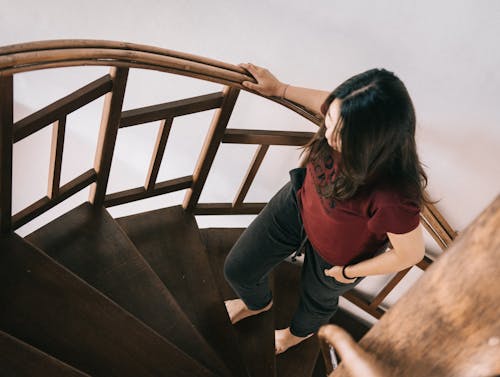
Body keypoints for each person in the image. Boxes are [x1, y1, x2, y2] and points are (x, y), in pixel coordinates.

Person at [223, 63, 428, 355]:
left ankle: (297, 335)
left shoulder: (393, 194)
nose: (330, 134)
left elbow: (411, 253)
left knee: (315, 303)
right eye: (330, 118)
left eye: (344, 134)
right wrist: (280, 89)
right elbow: (329, 101)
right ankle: (257, 303)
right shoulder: (343, 118)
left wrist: (350, 272)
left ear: (374, 142)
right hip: (297, 204)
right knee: (238, 268)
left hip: (339, 258)